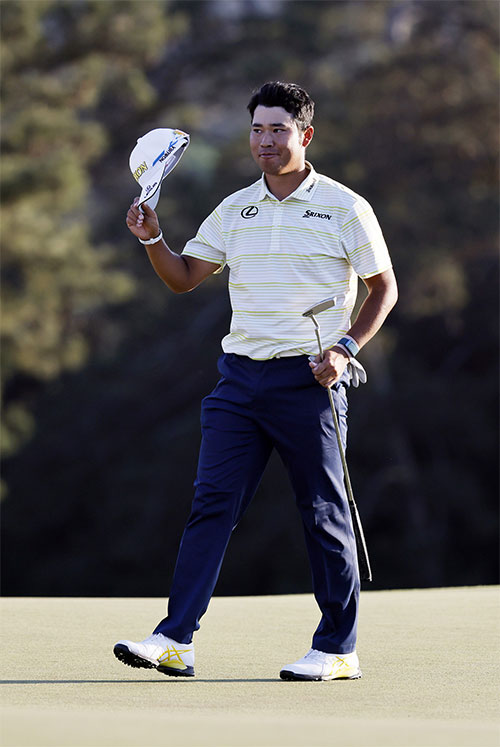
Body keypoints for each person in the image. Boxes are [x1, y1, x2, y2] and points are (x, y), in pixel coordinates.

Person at [114, 81, 398, 681]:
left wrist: (346, 349)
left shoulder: (346, 206)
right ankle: (174, 640)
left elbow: (383, 288)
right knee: (210, 505)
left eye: (278, 129)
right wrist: (153, 239)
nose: (265, 140)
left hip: (311, 382)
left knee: (322, 512)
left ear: (305, 135)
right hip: (239, 383)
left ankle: (337, 648)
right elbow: (186, 277)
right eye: (257, 129)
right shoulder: (235, 209)